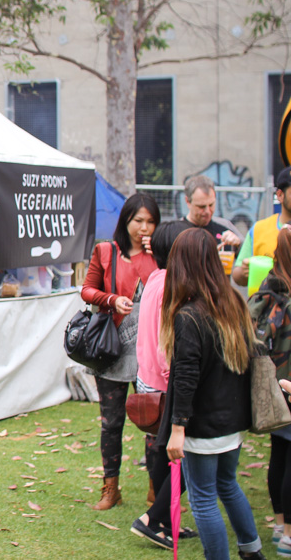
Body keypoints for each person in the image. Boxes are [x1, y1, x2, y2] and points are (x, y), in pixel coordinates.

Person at [161, 228, 264, 560]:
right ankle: (252, 550)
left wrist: (178, 429)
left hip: (203, 426)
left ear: (183, 264)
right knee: (228, 485)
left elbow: (186, 376)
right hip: (230, 423)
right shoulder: (232, 302)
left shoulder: (188, 315)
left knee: (204, 497)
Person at [81, 192, 160, 510]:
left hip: (151, 352)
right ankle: (110, 488)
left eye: (151, 221)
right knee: (111, 422)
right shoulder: (106, 251)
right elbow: (86, 289)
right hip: (113, 348)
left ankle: (157, 491)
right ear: (126, 220)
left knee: (153, 421)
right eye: (138, 220)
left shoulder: (160, 253)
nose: (145, 228)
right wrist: (111, 299)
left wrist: (161, 256)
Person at [130, 220, 197, 549]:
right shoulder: (172, 284)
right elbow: (167, 343)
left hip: (147, 380)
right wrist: (178, 385)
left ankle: (168, 520)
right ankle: (153, 519)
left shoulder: (155, 278)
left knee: (162, 454)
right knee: (188, 452)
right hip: (163, 384)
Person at [250, 227, 291, 553]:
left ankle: (279, 525)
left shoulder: (268, 284)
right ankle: (289, 534)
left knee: (279, 455)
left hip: (271, 383)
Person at [233, 166, 291, 287]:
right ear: (280, 195)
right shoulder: (260, 229)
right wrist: (244, 271)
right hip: (265, 304)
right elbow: (237, 275)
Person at [181, 175, 242, 248]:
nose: (207, 211)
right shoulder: (176, 231)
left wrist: (238, 244)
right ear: (187, 201)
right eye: (201, 206)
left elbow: (249, 251)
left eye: (211, 205)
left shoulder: (225, 226)